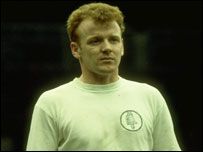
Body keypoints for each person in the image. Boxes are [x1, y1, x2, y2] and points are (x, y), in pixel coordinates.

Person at [26, 2, 181, 151]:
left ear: (122, 46)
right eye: (95, 41)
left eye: (113, 40)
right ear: (75, 49)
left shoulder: (150, 97)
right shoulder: (51, 103)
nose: (107, 48)